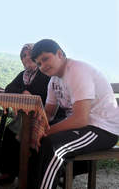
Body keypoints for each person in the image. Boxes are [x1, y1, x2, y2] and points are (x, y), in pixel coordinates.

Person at [28, 39, 119, 189]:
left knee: (53, 146)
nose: (42, 66)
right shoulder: (53, 81)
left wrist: (46, 131)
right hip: (82, 127)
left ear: (59, 54)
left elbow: (80, 119)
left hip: (102, 129)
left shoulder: (77, 71)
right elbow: (48, 113)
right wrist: (36, 128)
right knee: (29, 137)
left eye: (45, 59)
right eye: (39, 63)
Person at [0, 43, 64, 186]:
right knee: (10, 132)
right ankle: (9, 172)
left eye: (29, 53)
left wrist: (25, 91)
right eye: (23, 56)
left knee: (25, 132)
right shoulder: (23, 75)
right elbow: (10, 88)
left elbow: (43, 95)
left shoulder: (45, 73)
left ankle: (29, 175)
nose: (27, 57)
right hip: (28, 116)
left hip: (48, 115)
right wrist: (23, 91)